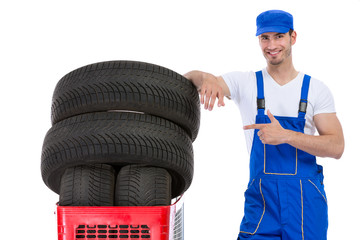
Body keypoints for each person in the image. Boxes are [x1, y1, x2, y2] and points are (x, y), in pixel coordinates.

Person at [184, 10, 344, 240]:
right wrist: (205, 76)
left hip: (305, 204)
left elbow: (337, 146)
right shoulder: (246, 83)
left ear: (293, 37)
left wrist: (286, 136)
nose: (271, 44)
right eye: (264, 38)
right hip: (262, 202)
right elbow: (190, 79)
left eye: (279, 36)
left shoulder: (315, 89)